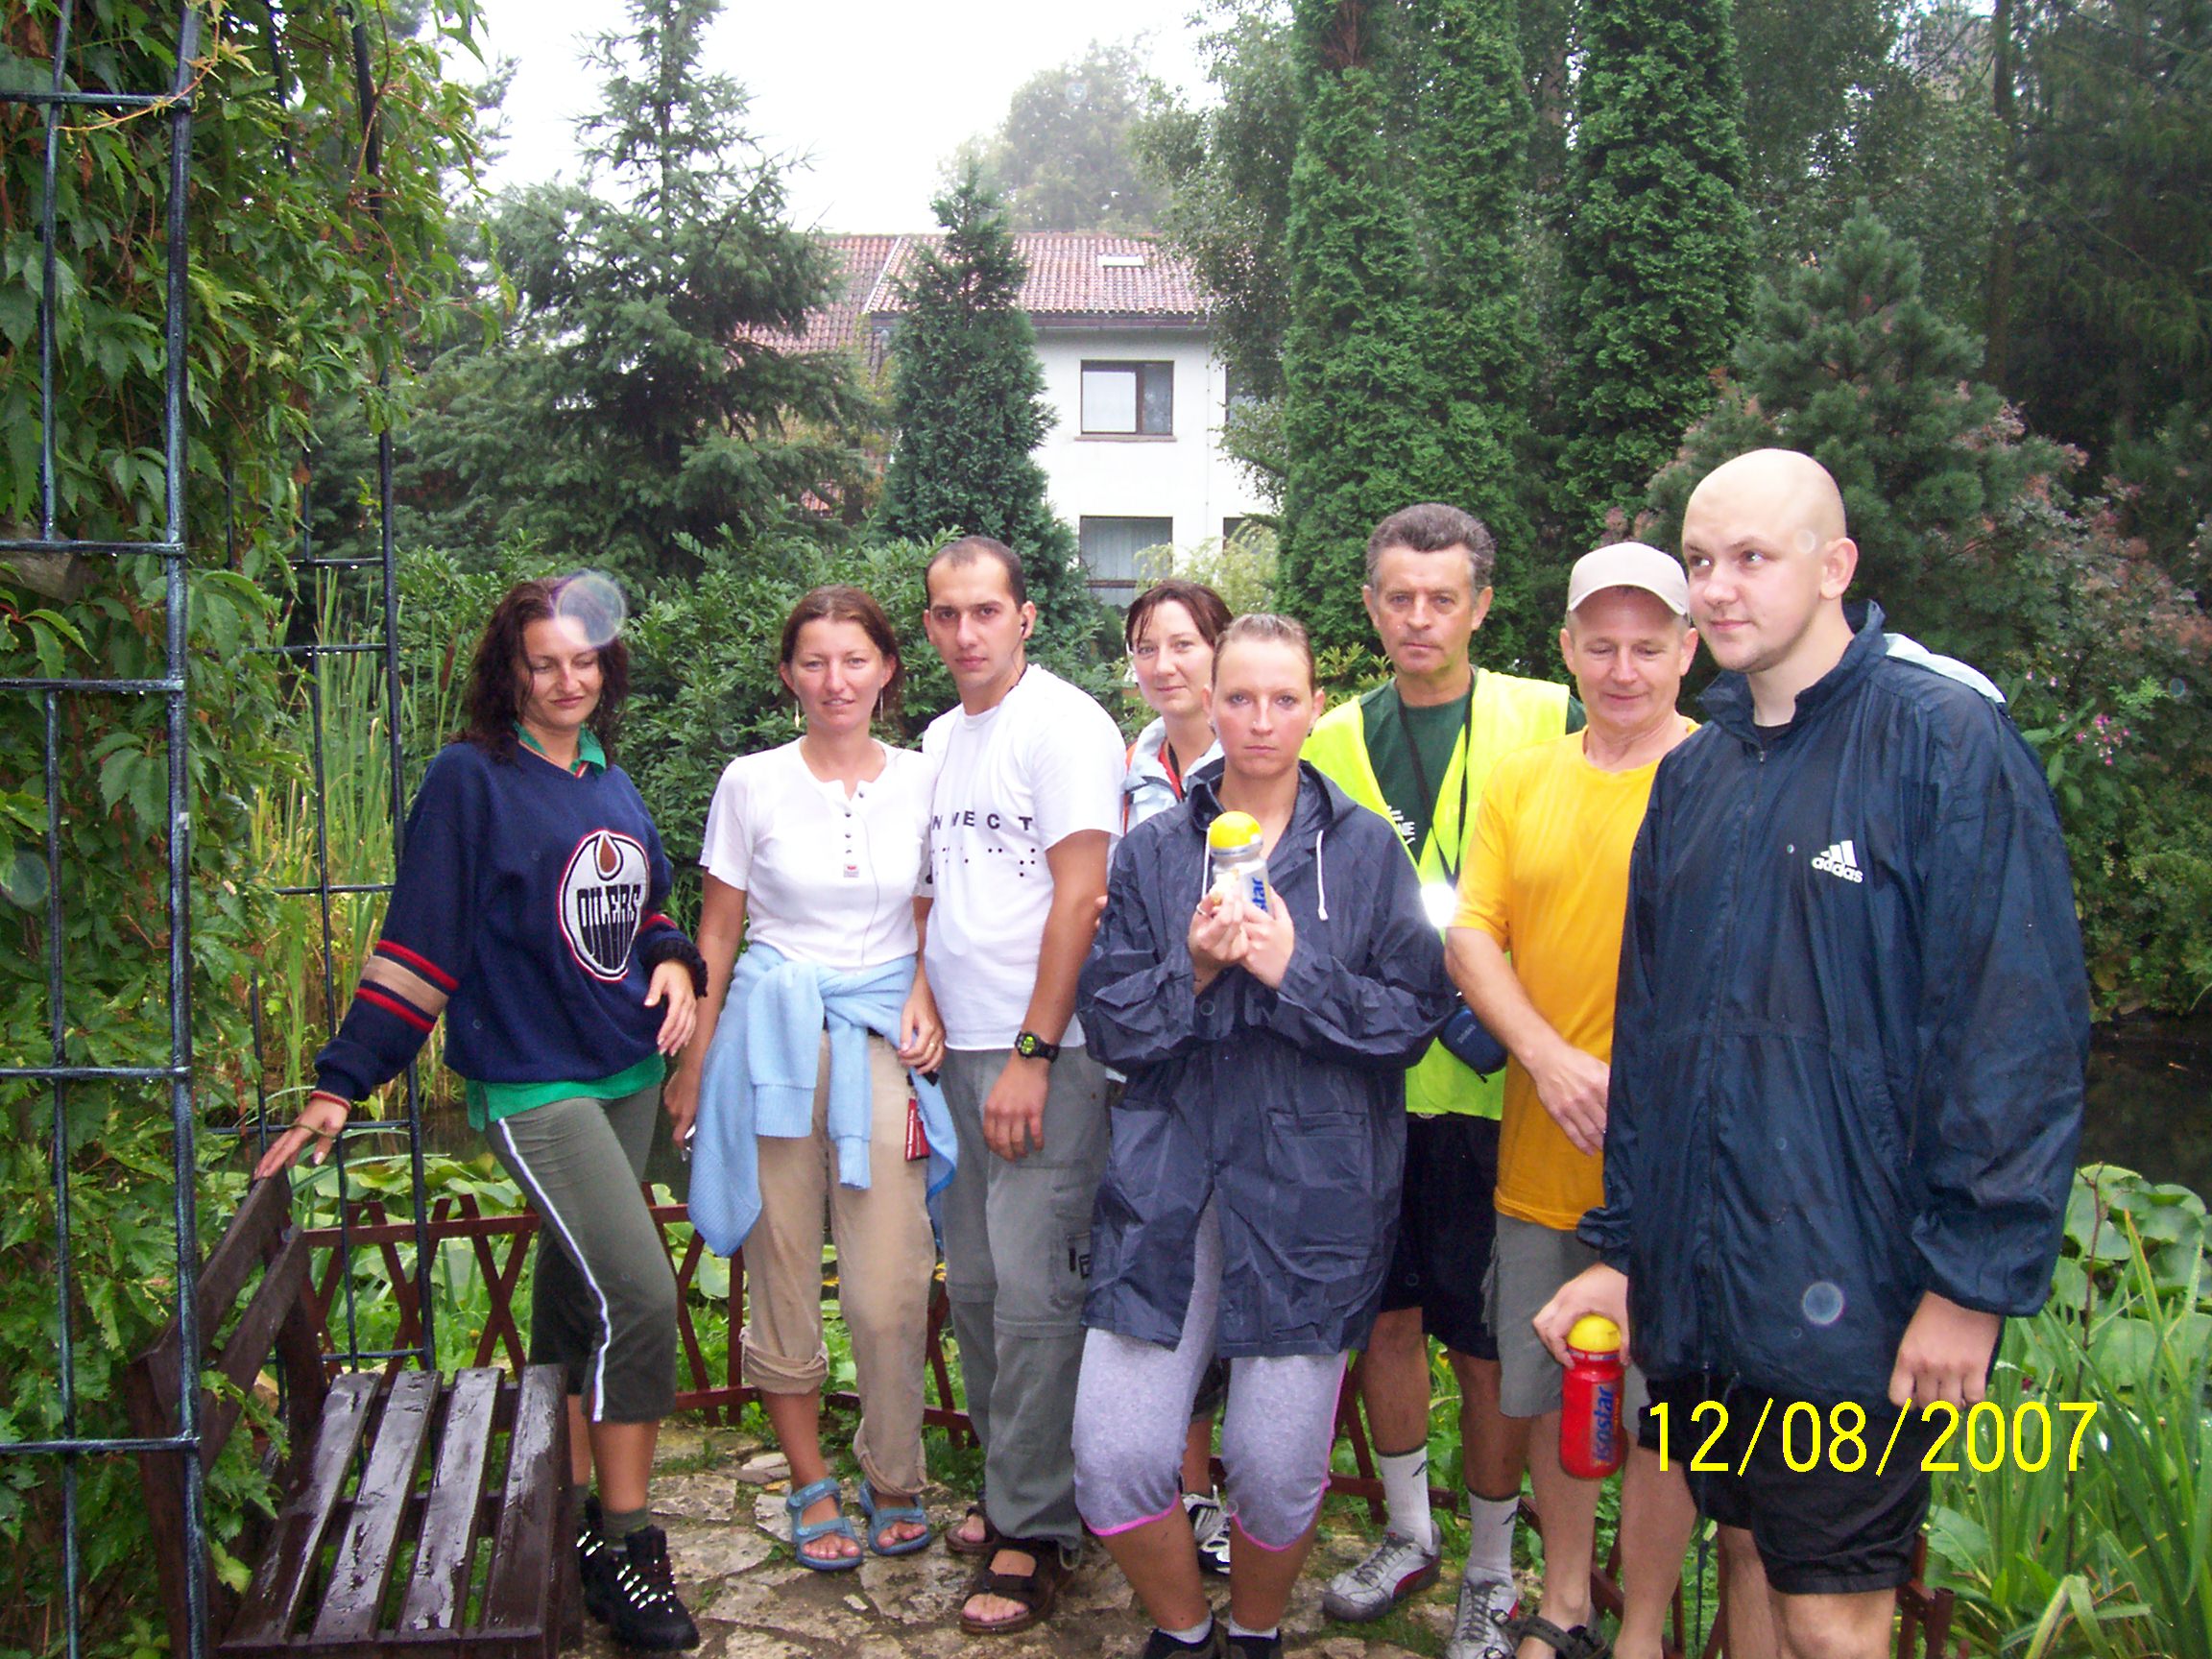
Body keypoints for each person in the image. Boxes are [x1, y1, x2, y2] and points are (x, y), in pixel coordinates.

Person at [1536, 450, 2088, 1659]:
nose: (1718, 588)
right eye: (1700, 560)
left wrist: (1971, 1286)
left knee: (1834, 1615)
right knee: (1746, 1549)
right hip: (1709, 1284)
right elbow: (1654, 1038)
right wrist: (1625, 1253)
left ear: (1835, 565)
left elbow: (2016, 1032)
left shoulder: (1943, 741)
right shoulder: (1695, 776)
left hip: (1861, 1293)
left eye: (1752, 557)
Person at [253, 575, 708, 1651]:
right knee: (641, 1296)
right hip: (535, 1083)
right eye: (543, 663)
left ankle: (563, 1502)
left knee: (577, 1301)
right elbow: (421, 946)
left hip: (626, 1074)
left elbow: (642, 902)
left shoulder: (606, 777)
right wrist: (342, 1081)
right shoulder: (470, 780)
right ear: (510, 671)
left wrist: (674, 960)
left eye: (584, 662)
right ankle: (626, 1545)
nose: (566, 681)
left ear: (606, 669)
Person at [1073, 613, 1457, 1659]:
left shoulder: (1365, 851)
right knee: (1113, 1457)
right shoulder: (1156, 851)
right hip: (1170, 1183)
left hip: (1312, 1189)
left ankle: (1253, 1632)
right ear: (1209, 701)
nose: (1259, 720)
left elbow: (1412, 1017)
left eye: (1283, 699)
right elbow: (1110, 1023)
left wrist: (1297, 972)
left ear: (1316, 708)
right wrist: (1196, 968)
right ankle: (1183, 1630)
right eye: (1239, 697)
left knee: (1276, 1466)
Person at [1303, 503, 1576, 1654]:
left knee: (1490, 1337)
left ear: (1481, 606)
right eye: (1399, 597)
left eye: (1442, 598)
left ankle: (1496, 1568)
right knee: (1388, 1320)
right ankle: (1410, 1530)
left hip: (1500, 1092)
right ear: (1371, 607)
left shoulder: (1550, 715)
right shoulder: (1330, 739)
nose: (1420, 617)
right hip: (1373, 1088)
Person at [1446, 545, 1703, 1659]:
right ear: (1566, 649)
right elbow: (1472, 933)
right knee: (1558, 1388)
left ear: (1689, 651)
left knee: (1661, 1415)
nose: (1624, 669)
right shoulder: (1522, 779)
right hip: (1544, 1149)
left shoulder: (1721, 778)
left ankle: (1642, 1628)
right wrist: (1545, 1057)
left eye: (1649, 646)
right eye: (1602, 646)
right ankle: (1562, 1606)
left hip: (1679, 1170)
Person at [667, 586, 954, 1570]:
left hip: (882, 1035)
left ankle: (893, 1471)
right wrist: (695, 1064)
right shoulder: (750, 781)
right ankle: (809, 1480)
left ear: (888, 670)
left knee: (889, 1285)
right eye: (815, 662)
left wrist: (925, 994)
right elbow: (717, 932)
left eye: (855, 660)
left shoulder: (926, 778)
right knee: (782, 1268)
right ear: (789, 674)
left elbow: (936, 913)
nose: (837, 681)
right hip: (771, 1039)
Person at [918, 536, 1128, 1636]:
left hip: (1047, 1053)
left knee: (1041, 1294)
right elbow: (928, 891)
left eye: (986, 611)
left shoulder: (1065, 726)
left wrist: (1036, 1054)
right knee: (981, 1284)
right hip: (956, 1050)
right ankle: (1013, 1483)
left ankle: (1037, 1530)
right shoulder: (939, 738)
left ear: (1026, 616)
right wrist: (922, 992)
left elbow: (1083, 896)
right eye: (947, 614)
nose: (967, 634)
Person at [1118, 577, 1236, 1575]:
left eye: (1184, 644)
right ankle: (1184, 1489)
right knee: (1171, 1275)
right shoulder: (1130, 771)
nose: (1165, 665)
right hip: (1154, 1059)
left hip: (1247, 1063)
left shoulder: (1260, 762)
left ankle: (1245, 1491)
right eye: (1147, 648)